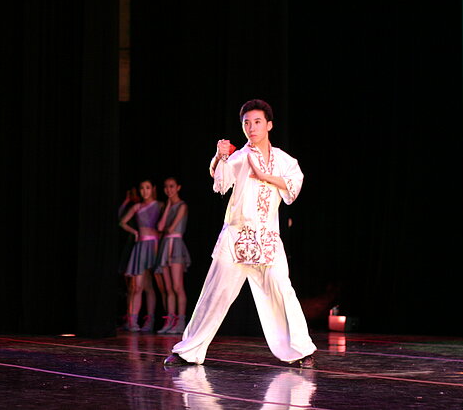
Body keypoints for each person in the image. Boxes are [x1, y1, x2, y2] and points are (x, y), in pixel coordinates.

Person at [164, 99, 316, 367]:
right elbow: (221, 183)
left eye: (257, 122)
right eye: (246, 123)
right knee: (215, 293)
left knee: (282, 289)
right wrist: (219, 156)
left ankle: (301, 350)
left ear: (269, 125)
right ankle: (188, 350)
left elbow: (293, 185)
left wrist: (265, 175)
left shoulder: (283, 160)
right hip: (236, 238)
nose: (252, 127)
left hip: (268, 240)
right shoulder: (239, 156)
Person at [120, 179, 164, 332]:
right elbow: (122, 222)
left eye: (147, 188)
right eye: (142, 188)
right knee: (137, 286)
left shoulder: (159, 205)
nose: (144, 191)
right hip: (141, 246)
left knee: (150, 286)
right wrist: (135, 232)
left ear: (153, 189)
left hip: (155, 246)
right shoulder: (137, 207)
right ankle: (133, 321)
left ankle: (149, 322)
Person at [155, 177, 191, 334]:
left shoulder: (182, 206)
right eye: (166, 187)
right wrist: (168, 206)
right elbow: (161, 227)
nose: (168, 189)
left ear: (178, 187)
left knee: (177, 286)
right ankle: (170, 321)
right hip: (165, 247)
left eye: (171, 186)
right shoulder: (167, 206)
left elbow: (170, 229)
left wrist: (171, 206)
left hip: (175, 245)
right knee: (169, 288)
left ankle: (180, 321)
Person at [116, 187, 140, 328]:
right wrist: (126, 200)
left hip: (138, 244)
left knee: (136, 285)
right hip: (129, 243)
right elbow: (120, 218)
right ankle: (129, 315)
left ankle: (132, 317)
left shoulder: (141, 208)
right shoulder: (132, 207)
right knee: (129, 285)